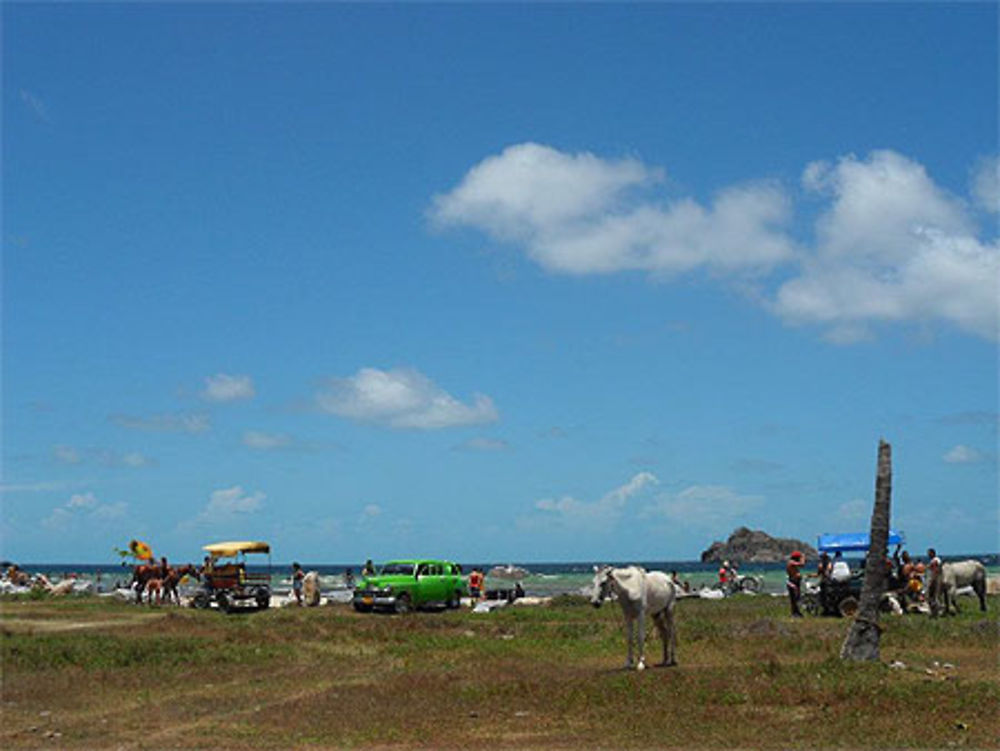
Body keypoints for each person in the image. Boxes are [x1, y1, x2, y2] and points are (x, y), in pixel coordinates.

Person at [786, 551, 805, 617]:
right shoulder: (791, 562)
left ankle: (796, 612)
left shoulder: (792, 562)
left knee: (796, 597)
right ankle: (794, 613)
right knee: (794, 598)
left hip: (795, 581)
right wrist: (803, 557)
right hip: (793, 581)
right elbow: (802, 564)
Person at [926, 547, 943, 616]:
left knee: (934, 596)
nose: (928, 555)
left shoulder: (935, 560)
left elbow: (935, 570)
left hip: (935, 580)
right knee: (935, 596)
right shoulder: (935, 560)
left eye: (929, 553)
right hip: (935, 579)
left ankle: (936, 611)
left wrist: (932, 579)